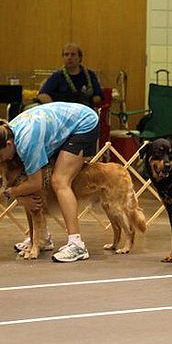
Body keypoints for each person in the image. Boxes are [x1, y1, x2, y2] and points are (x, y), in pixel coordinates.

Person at [1, 102, 100, 262]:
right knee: (31, 188)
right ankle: (42, 238)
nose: (2, 161)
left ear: (8, 145)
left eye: (1, 157)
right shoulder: (6, 133)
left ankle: (77, 245)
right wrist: (21, 196)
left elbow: (35, 184)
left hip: (84, 123)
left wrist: (12, 193)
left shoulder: (27, 143)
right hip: (61, 124)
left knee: (60, 181)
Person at [36, 43, 104, 107]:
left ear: (80, 57)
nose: (69, 57)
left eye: (73, 54)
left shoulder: (90, 75)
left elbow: (99, 96)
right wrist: (55, 108)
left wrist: (87, 101)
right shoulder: (57, 76)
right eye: (66, 54)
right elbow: (42, 95)